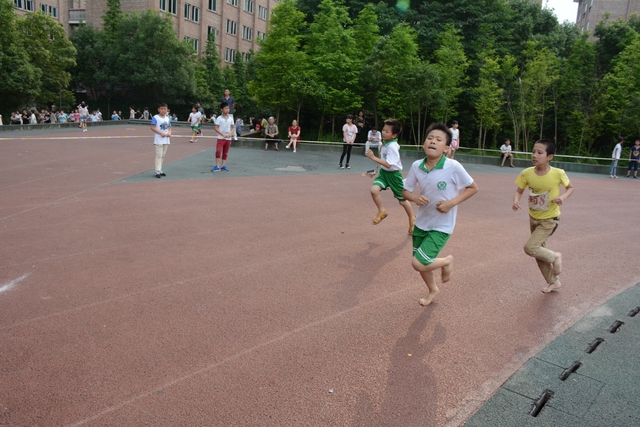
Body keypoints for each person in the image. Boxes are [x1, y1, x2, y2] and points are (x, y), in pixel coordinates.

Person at [402, 123, 478, 306]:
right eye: (429, 138)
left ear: (446, 148)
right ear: (423, 144)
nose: (433, 141)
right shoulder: (417, 166)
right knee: (423, 264)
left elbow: (473, 188)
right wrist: (415, 198)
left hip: (442, 225)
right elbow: (405, 191)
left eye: (438, 139)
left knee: (418, 263)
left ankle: (446, 261)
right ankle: (432, 289)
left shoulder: (453, 166)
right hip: (422, 222)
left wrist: (451, 203)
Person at [513, 138, 574, 293]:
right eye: (533, 151)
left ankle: (555, 257)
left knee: (530, 248)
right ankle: (553, 282)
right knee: (539, 253)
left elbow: (570, 188)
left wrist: (563, 197)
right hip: (533, 218)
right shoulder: (526, 173)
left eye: (540, 152)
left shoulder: (558, 173)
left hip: (550, 219)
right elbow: (519, 191)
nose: (534, 155)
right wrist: (516, 201)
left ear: (549, 157)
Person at [366, 118, 415, 234]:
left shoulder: (392, 146)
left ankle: (412, 218)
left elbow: (389, 164)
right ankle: (382, 211)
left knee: (402, 201)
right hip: (383, 174)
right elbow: (383, 160)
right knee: (374, 191)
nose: (383, 132)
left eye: (386, 131)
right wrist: (375, 170)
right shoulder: (385, 143)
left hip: (394, 176)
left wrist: (373, 158)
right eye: (383, 130)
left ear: (394, 135)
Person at [150, 102, 172, 178]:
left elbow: (169, 127)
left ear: (167, 110)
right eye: (161, 109)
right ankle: (157, 170)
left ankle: (160, 169)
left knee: (163, 155)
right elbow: (152, 127)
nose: (163, 110)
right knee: (159, 155)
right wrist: (160, 133)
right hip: (158, 140)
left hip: (166, 140)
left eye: (165, 109)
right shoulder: (155, 117)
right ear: (158, 109)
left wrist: (169, 133)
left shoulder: (167, 118)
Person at [212, 102, 235, 172]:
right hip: (221, 138)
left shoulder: (230, 118)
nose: (227, 110)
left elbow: (233, 127)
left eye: (228, 108)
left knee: (226, 152)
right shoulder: (219, 118)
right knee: (218, 151)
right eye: (226, 108)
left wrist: (231, 133)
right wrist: (222, 134)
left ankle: (223, 165)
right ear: (222, 109)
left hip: (228, 138)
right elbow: (216, 127)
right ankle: (217, 166)